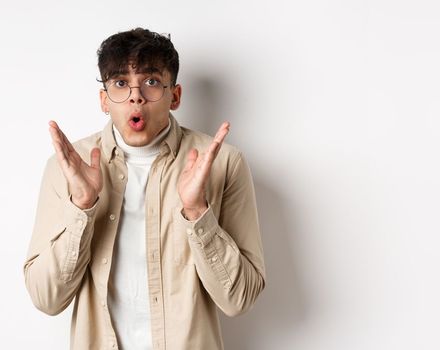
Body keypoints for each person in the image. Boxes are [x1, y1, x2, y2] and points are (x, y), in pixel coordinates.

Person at [22, 27, 266, 350]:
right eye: (121, 83)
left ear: (175, 95)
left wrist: (197, 212)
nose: (136, 96)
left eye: (151, 81)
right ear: (104, 100)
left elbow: (241, 299)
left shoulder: (223, 164)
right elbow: (46, 298)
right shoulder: (67, 167)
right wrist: (81, 207)